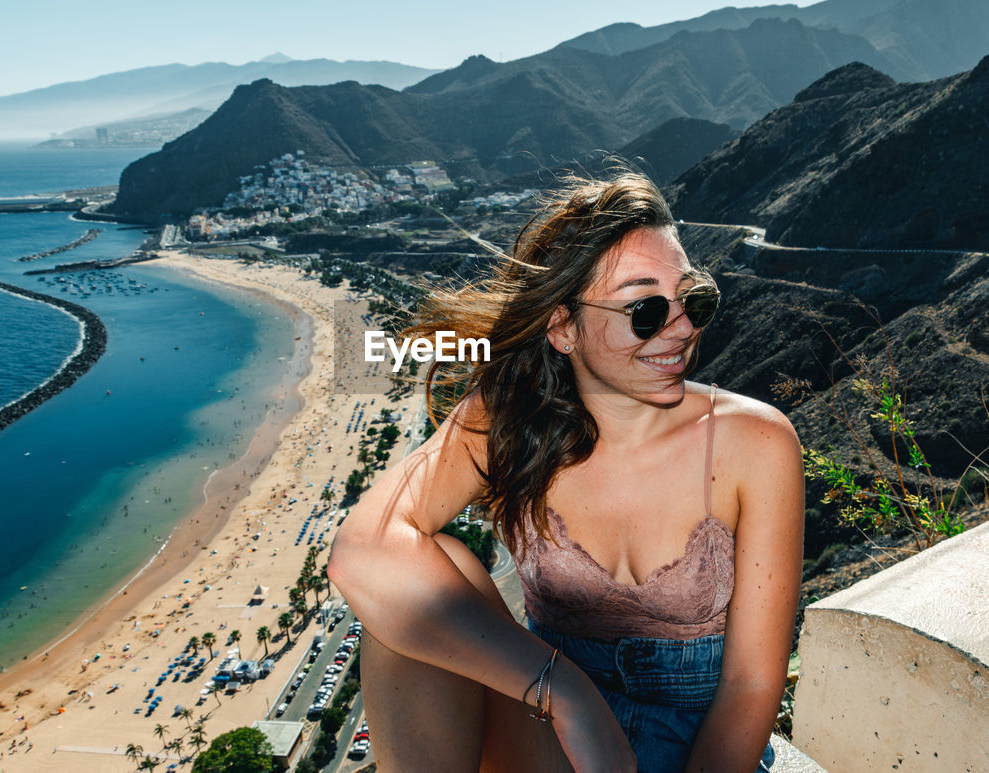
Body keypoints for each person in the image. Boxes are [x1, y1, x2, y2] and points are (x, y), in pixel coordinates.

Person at [328, 170, 803, 772]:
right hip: (550, 735)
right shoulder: (506, 417)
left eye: (692, 299)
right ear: (563, 329)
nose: (682, 327)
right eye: (645, 308)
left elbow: (751, 690)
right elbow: (361, 554)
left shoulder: (756, 442)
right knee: (419, 580)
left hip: (697, 752)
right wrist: (570, 696)